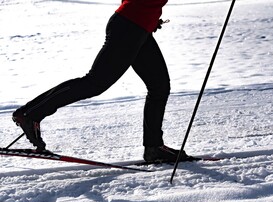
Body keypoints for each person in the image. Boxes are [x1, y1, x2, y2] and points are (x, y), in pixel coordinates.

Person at [12, 0, 190, 162]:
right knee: (94, 83)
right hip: (129, 27)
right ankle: (30, 114)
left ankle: (154, 147)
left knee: (159, 87)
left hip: (139, 27)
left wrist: (149, 17)